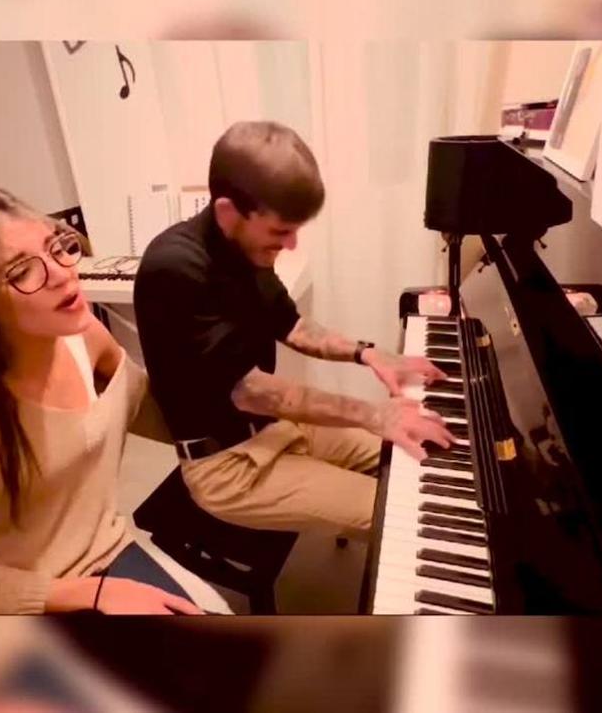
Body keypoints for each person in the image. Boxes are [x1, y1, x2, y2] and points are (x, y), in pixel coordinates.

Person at [0, 189, 228, 615]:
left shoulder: (84, 339)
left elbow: (160, 416)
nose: (63, 275)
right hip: (13, 603)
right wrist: (90, 594)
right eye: (22, 271)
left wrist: (244, 407)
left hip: (109, 557)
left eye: (57, 247)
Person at [134, 121, 452, 539]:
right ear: (229, 212)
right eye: (280, 231)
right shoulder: (175, 269)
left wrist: (368, 353)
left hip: (275, 427)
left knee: (425, 463)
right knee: (406, 519)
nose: (291, 244)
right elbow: (250, 392)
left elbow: (291, 324)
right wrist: (373, 414)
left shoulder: (245, 247)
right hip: (228, 466)